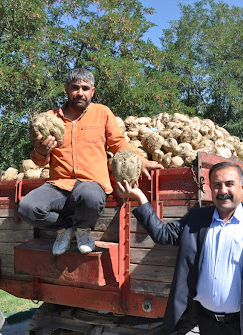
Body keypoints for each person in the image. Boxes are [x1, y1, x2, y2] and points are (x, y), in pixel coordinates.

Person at [116, 161, 243, 335]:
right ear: (210, 188)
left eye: (229, 184)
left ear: (242, 186)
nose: (223, 190)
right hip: (208, 323)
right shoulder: (197, 218)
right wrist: (139, 197)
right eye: (216, 185)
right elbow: (163, 235)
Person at [18, 68, 162, 255]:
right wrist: (40, 150)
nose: (80, 93)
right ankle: (65, 229)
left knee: (90, 196)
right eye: (75, 87)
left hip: (90, 184)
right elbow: (39, 162)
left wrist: (139, 160)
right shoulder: (50, 118)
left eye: (85, 88)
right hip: (58, 185)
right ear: (66, 89)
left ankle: (84, 230)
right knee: (27, 208)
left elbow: (118, 144)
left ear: (92, 91)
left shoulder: (102, 113)